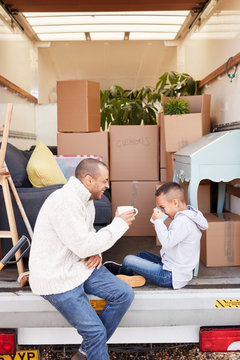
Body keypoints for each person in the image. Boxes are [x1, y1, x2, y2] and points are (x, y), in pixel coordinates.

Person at [29, 158, 141, 360]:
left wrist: (96, 252)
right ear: (89, 180)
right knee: (96, 333)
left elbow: (85, 239)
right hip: (56, 276)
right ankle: (92, 346)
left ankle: (86, 351)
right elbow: (83, 244)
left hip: (80, 264)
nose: (107, 186)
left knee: (124, 293)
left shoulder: (86, 200)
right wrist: (118, 224)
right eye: (105, 181)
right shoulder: (65, 202)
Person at [104, 182, 208, 290]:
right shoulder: (188, 216)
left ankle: (122, 274)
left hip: (170, 276)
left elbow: (167, 242)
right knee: (142, 254)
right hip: (172, 266)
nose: (163, 212)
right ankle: (133, 275)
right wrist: (159, 227)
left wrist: (158, 222)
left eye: (163, 208)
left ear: (175, 203)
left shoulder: (183, 221)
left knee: (128, 260)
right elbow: (173, 238)